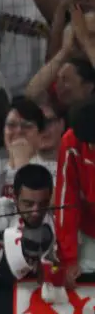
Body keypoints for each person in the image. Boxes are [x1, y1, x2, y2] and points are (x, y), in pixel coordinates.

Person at [54, 97, 95, 281]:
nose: (92, 147)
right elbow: (66, 201)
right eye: (89, 143)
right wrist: (68, 258)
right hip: (89, 231)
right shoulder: (70, 142)